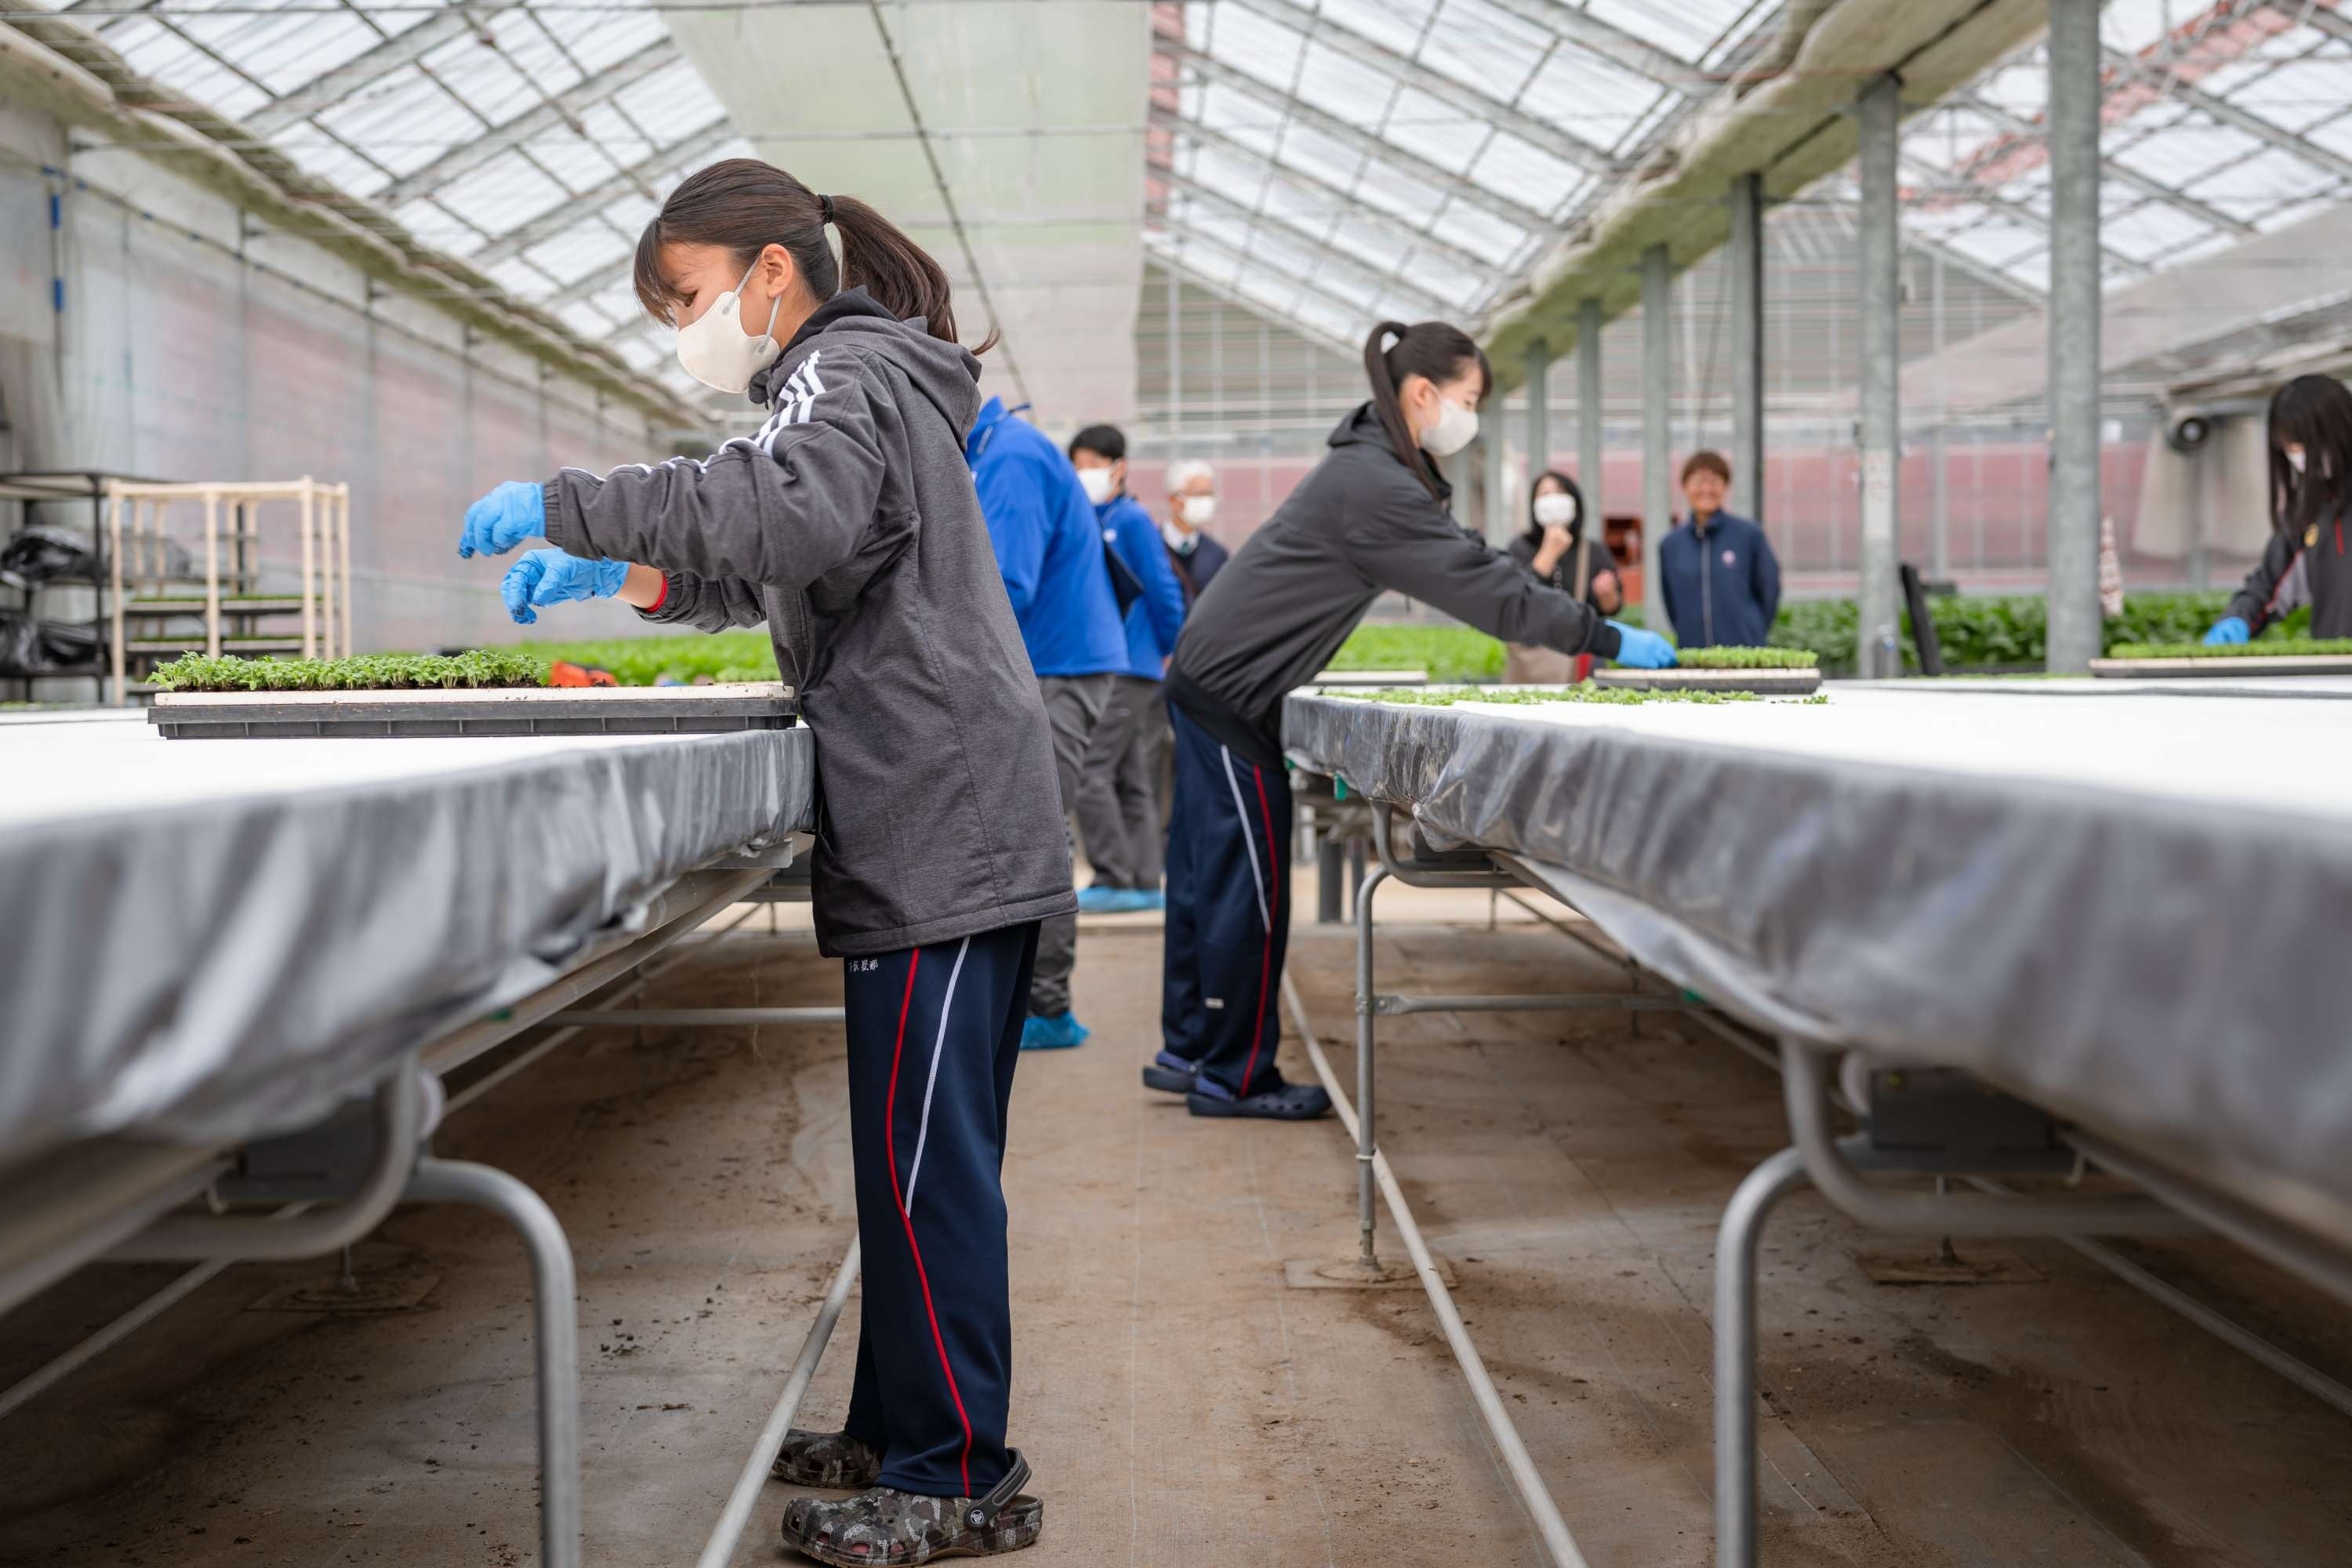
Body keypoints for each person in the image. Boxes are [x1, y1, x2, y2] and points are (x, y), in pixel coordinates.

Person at [456, 158, 1056, 1565]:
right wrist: (636, 578)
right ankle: (898, 1425)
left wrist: (574, 504)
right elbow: (782, 559)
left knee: (927, 1169)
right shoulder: (849, 384)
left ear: (769, 272)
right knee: (907, 1159)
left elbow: (784, 517)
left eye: (687, 295)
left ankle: (962, 1472)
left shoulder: (837, 376)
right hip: (938, 814)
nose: (684, 323)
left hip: (944, 824)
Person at [1150, 321, 1675, 1121]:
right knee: (1243, 890)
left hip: (1210, 681)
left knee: (1202, 878)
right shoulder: (1374, 487)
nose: (1469, 418)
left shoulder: (1371, 470)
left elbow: (1470, 557)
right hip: (1232, 693)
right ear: (1422, 393)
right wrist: (1603, 635)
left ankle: (1189, 1047)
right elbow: (1488, 591)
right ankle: (1233, 1073)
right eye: (1467, 400)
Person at [964, 398, 1127, 1051]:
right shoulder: (1000, 450)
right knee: (1030, 826)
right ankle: (1031, 996)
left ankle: (1046, 1007)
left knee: (1037, 830)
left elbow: (1004, 583)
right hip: (1054, 661)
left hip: (1060, 664)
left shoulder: (1009, 458)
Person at [1067, 425, 1187, 914]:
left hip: (1132, 665)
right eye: (1079, 462)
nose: (1084, 472)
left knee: (1090, 767)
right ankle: (1141, 879)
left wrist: (1170, 647)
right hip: (1117, 663)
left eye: (1093, 462)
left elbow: (1162, 588)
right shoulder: (1092, 517)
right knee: (1130, 772)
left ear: (1119, 466)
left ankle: (1114, 874)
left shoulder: (1131, 519)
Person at [2204, 373, 2352, 644]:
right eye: (2290, 448)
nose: (2299, 456)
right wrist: (2237, 618)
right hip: (2336, 674)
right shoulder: (2311, 511)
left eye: (2306, 445)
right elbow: (2268, 585)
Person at [1504, 470, 1623, 684]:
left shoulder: (1593, 551)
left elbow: (1613, 607)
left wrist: (1608, 596)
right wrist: (1548, 554)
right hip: (1531, 660)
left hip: (1582, 661)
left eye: (1560, 492)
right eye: (1544, 494)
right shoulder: (1519, 548)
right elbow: (1515, 599)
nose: (1553, 500)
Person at [1657, 450, 1780, 648]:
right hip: (1693, 653)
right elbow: (1670, 600)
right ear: (1684, 486)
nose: (1706, 489)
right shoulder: (1671, 545)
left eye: (1715, 481)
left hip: (1743, 654)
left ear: (1725, 486)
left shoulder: (1749, 535)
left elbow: (1769, 589)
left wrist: (1753, 630)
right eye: (1698, 482)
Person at [1161, 459, 1229, 598]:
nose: (1206, 501)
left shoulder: (1217, 555)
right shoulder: (1151, 546)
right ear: (1174, 500)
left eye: (1209, 494)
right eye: (1200, 494)